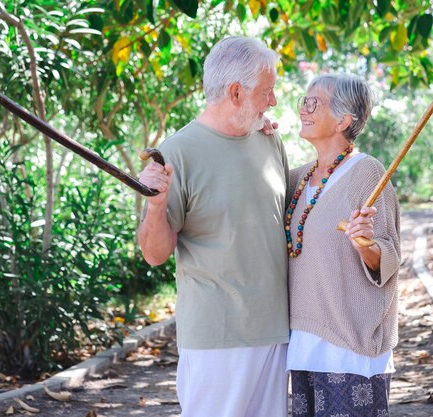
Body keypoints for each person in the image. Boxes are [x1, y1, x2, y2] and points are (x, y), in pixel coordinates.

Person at [137, 36, 289, 417]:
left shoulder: (270, 141)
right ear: (236, 92)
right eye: (266, 92)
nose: (272, 101)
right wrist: (155, 207)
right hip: (216, 338)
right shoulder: (177, 152)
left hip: (274, 330)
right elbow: (154, 255)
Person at [286, 73, 401, 416]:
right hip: (303, 344)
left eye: (313, 102)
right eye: (303, 101)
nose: (303, 110)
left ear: (343, 120)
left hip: (348, 347)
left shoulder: (367, 172)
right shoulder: (297, 177)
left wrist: (363, 243)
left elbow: (388, 256)